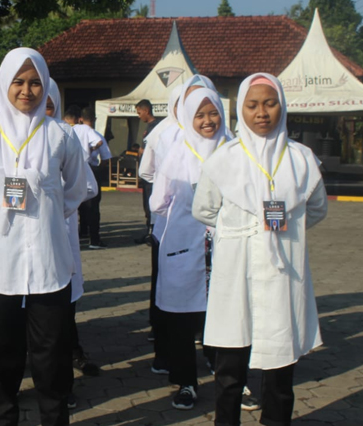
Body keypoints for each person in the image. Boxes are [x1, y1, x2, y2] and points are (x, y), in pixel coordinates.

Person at [192, 73, 327, 426]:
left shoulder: (302, 159)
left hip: (284, 274)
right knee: (230, 372)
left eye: (270, 103)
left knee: (280, 375)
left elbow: (317, 208)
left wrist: (283, 233)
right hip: (237, 274)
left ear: (282, 106)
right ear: (240, 110)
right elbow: (203, 209)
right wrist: (247, 232)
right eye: (252, 105)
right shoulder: (225, 159)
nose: (262, 113)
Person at [0, 48, 87, 426]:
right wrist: (5, 222)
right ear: (4, 85)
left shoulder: (61, 136)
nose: (27, 90)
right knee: (1, 353)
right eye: (18, 81)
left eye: (35, 82)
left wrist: (44, 218)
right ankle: (2, 417)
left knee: (52, 353)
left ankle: (54, 416)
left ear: (46, 85)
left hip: (49, 264)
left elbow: (75, 191)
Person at [150, 87, 227, 410]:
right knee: (183, 321)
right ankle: (186, 382)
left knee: (225, 316)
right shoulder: (176, 155)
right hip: (183, 246)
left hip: (226, 248)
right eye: (200, 114)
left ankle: (231, 380)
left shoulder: (233, 150)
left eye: (213, 114)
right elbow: (158, 202)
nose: (208, 121)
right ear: (187, 117)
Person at [47, 78, 101, 410]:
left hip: (61, 231)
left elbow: (88, 188)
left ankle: (68, 366)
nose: (44, 109)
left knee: (62, 307)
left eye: (50, 105)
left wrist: (61, 203)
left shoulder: (65, 140)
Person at [63, 106, 107, 249]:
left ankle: (81, 233)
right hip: (86, 166)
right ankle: (94, 239)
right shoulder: (89, 130)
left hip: (68, 168)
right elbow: (100, 144)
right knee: (92, 205)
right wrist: (90, 150)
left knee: (77, 205)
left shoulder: (65, 130)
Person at [134, 99, 163, 245]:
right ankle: (148, 231)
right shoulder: (148, 127)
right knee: (146, 205)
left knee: (153, 205)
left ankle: (154, 232)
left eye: (139, 112)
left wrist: (144, 151)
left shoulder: (157, 127)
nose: (139, 116)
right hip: (145, 174)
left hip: (153, 174)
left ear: (146, 111)